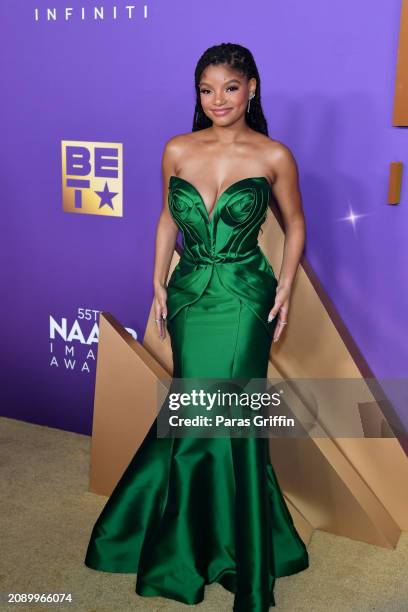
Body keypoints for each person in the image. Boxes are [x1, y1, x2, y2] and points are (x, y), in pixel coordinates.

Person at [84, 42, 309, 611]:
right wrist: (158, 282)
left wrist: (285, 284)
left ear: (251, 88)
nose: (218, 100)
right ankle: (186, 543)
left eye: (230, 88)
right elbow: (166, 218)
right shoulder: (178, 149)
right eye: (207, 90)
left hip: (244, 295)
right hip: (188, 295)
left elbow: (296, 222)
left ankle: (232, 551)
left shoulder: (274, 155)